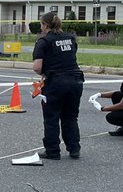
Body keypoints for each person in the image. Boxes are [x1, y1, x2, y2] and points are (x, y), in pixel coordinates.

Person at [32, 10, 84, 160]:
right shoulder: (70, 38)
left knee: (52, 118)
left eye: (41, 24)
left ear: (45, 25)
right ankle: (74, 149)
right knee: (70, 117)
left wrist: (44, 75)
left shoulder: (44, 41)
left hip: (56, 82)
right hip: (75, 81)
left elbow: (37, 67)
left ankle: (53, 151)